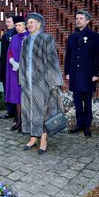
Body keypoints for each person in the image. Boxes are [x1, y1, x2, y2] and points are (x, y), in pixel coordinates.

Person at [19, 13, 63, 155]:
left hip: (43, 81)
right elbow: (22, 62)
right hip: (28, 82)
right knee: (30, 109)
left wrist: (54, 82)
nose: (29, 25)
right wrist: (22, 79)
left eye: (32, 22)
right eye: (28, 23)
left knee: (43, 110)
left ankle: (43, 139)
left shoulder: (46, 38)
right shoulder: (26, 41)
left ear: (39, 24)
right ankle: (33, 138)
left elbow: (52, 60)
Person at [65, 10, 99, 137]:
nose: (78, 20)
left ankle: (87, 125)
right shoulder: (72, 37)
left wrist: (96, 73)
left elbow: (97, 57)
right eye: (77, 18)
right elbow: (68, 56)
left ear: (87, 21)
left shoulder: (95, 37)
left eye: (81, 18)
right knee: (76, 101)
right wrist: (67, 72)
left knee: (87, 101)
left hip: (88, 75)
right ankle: (79, 124)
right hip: (75, 74)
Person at [5, 16, 29, 132]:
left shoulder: (29, 36)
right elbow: (9, 53)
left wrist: (22, 64)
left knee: (25, 97)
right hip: (15, 72)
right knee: (17, 98)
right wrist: (12, 61)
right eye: (16, 26)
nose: (17, 27)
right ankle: (19, 121)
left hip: (25, 73)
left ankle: (26, 122)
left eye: (19, 25)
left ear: (24, 25)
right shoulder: (14, 38)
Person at [0, 14, 17, 119]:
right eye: (6, 21)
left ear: (14, 23)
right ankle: (9, 111)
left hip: (13, 66)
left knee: (14, 89)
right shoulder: (4, 36)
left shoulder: (16, 34)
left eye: (9, 21)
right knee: (7, 90)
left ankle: (16, 112)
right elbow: (2, 53)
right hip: (5, 67)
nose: (7, 24)